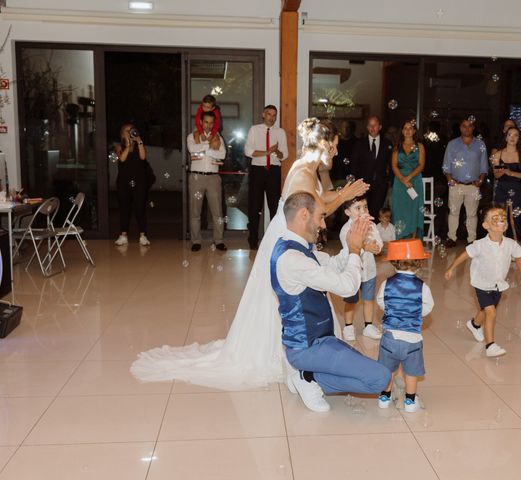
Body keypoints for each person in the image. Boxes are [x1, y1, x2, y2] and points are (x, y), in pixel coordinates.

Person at [131, 118, 369, 390]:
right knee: (285, 297)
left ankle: (293, 349)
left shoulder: (308, 168)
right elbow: (314, 211)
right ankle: (276, 353)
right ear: (324, 144)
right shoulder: (304, 171)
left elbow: (320, 199)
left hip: (289, 236)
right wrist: (345, 195)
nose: (336, 153)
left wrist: (341, 192)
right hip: (287, 239)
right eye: (335, 147)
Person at [274, 192, 391, 412]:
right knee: (381, 378)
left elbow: (334, 264)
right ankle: (308, 377)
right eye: (320, 217)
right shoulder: (292, 259)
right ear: (303, 215)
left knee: (362, 368)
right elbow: (347, 287)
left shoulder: (297, 248)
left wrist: (355, 246)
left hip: (320, 341)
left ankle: (308, 376)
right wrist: (355, 250)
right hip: (306, 348)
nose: (323, 224)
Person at [445, 204, 521, 357]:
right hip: (481, 283)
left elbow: (519, 257)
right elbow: (465, 254)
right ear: (485, 225)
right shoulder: (479, 245)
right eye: (495, 219)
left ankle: (474, 324)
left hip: (498, 284)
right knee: (491, 313)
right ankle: (490, 346)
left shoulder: (510, 244)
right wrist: (451, 268)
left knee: (486, 311)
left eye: (503, 219)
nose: (501, 222)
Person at [376, 239, 433, 412]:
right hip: (412, 340)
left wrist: (393, 311)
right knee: (411, 373)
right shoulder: (422, 287)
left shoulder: (386, 283)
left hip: (389, 338)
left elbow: (381, 302)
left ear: (393, 263)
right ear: (419, 264)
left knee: (388, 371)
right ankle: (409, 402)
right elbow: (429, 306)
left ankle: (384, 399)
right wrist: (414, 313)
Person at [339, 196, 383, 341]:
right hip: (352, 270)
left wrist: (377, 247)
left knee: (368, 299)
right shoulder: (346, 229)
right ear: (347, 212)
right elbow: (350, 247)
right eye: (358, 208)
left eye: (365, 207)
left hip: (369, 270)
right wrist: (365, 247)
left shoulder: (371, 225)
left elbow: (379, 241)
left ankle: (368, 325)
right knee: (351, 300)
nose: (363, 210)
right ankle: (348, 326)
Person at [244, 105, 288, 250]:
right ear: (263, 114)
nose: (272, 117)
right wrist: (267, 152)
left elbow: (284, 155)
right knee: (255, 206)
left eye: (274, 115)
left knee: (274, 207)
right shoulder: (254, 129)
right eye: (269, 114)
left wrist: (276, 152)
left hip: (273, 171)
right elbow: (248, 151)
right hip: (257, 170)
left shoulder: (280, 132)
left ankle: (275, 239)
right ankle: (253, 240)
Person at [442, 117, 489, 247]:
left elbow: (484, 165)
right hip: (455, 184)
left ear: (473, 128)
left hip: (473, 186)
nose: (466, 128)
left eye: (469, 126)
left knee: (472, 214)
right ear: (460, 128)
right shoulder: (452, 144)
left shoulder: (480, 144)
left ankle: (471, 240)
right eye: (464, 126)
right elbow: (446, 165)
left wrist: (481, 180)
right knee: (453, 212)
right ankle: (451, 238)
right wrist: (450, 181)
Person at [187, 110, 227, 252]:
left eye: (211, 123)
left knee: (217, 212)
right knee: (195, 212)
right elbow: (192, 149)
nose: (208, 126)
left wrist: (204, 150)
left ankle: (219, 241)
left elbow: (222, 154)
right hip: (196, 177)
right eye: (206, 122)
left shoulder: (218, 138)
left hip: (213, 178)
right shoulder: (192, 136)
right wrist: (210, 147)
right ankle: (196, 241)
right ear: (201, 122)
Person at [114, 123, 151, 246]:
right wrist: (128, 145)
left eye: (131, 130)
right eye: (126, 130)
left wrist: (139, 141)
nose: (129, 132)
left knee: (140, 208)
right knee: (124, 208)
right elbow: (122, 159)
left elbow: (143, 157)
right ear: (122, 133)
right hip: (123, 183)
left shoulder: (139, 145)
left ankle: (143, 235)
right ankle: (123, 235)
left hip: (139, 182)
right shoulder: (119, 146)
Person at [351, 115, 393, 220]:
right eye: (370, 125)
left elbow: (391, 164)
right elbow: (354, 164)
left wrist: (390, 182)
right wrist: (356, 182)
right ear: (367, 127)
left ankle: (373, 234)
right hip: (363, 184)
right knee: (362, 211)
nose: (372, 128)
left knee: (375, 212)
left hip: (380, 184)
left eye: (375, 125)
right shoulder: (359, 143)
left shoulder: (387, 143)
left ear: (380, 127)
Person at [491, 127, 521, 241]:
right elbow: (496, 175)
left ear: (519, 138)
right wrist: (500, 172)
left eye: (515, 135)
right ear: (506, 137)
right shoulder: (498, 155)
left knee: (516, 218)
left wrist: (510, 172)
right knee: (500, 217)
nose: (512, 138)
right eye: (510, 135)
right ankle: (499, 245)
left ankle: (515, 246)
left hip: (517, 189)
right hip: (502, 188)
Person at [390, 120, 426, 239]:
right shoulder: (397, 146)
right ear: (402, 131)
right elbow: (394, 165)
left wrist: (408, 178)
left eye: (410, 128)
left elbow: (421, 165)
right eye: (405, 128)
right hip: (400, 182)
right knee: (399, 210)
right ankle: (400, 239)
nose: (408, 131)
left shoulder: (420, 146)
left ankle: (413, 240)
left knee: (414, 210)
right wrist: (402, 179)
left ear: (414, 131)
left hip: (414, 181)